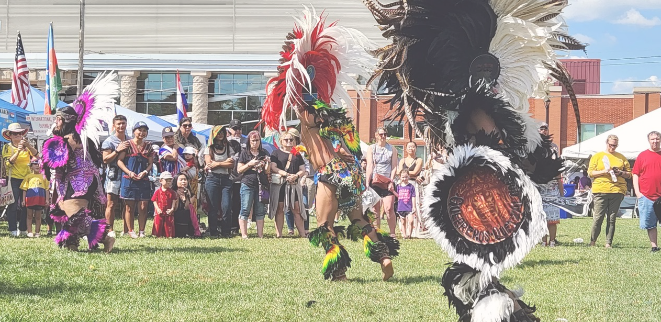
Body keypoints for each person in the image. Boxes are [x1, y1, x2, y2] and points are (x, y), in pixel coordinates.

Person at [261, 9, 398, 281]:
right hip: (351, 170)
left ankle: (338, 272)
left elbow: (303, 105)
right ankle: (383, 255)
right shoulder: (329, 113)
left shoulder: (308, 113)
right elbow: (351, 142)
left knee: (324, 225)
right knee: (359, 219)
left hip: (330, 172)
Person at [41, 72, 118, 252]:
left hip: (79, 181)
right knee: (66, 211)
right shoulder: (75, 137)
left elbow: (54, 161)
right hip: (81, 180)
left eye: (57, 119)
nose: (55, 122)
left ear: (62, 120)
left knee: (74, 214)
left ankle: (106, 236)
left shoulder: (69, 139)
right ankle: (72, 243)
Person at [588, 134, 631, 248]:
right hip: (600, 190)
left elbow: (629, 174)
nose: (613, 147)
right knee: (598, 218)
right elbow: (591, 173)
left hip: (617, 191)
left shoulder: (621, 157)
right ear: (606, 143)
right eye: (611, 145)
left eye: (615, 145)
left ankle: (608, 243)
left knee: (612, 219)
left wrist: (620, 173)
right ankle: (592, 242)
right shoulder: (597, 156)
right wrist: (604, 171)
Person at [117, 121, 154, 239]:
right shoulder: (127, 144)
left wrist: (145, 172)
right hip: (129, 179)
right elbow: (119, 161)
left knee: (143, 206)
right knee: (129, 206)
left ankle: (142, 231)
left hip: (143, 179)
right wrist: (129, 172)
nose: (142, 133)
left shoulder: (149, 146)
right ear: (134, 131)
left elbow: (150, 163)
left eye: (144, 131)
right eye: (140, 130)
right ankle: (131, 230)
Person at [269, 131, 307, 238]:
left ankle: (302, 234)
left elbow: (302, 169)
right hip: (281, 185)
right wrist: (285, 174)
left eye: (291, 140)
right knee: (279, 209)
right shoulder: (276, 153)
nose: (289, 142)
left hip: (294, 185)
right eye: (286, 139)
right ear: (281, 141)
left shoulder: (297, 154)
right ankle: (279, 234)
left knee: (297, 209)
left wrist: (296, 176)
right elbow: (273, 167)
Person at [2, 123, 37, 237]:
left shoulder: (27, 146)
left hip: (27, 179)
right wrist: (18, 151)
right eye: (15, 133)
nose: (18, 135)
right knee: (12, 204)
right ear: (10, 135)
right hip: (13, 179)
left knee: (26, 204)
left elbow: (37, 156)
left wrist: (28, 146)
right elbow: (8, 163)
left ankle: (23, 228)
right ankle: (12, 228)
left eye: (20, 133)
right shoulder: (7, 147)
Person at [366, 127, 399, 237]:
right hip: (375, 181)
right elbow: (369, 165)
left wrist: (391, 181)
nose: (383, 136)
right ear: (376, 135)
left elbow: (394, 167)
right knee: (375, 209)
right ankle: (377, 232)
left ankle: (392, 233)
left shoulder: (392, 149)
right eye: (381, 134)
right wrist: (367, 182)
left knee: (389, 208)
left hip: (388, 181)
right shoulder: (371, 148)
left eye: (385, 134)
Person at [101, 115, 130, 237]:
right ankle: (110, 229)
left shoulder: (130, 140)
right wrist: (117, 150)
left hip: (127, 175)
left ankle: (126, 229)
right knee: (111, 203)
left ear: (126, 124)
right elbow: (105, 159)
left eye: (123, 123)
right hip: (113, 175)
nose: (121, 126)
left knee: (127, 203)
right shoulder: (109, 141)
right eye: (118, 124)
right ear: (114, 125)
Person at [236, 130, 269, 239]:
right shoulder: (244, 153)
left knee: (260, 210)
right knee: (245, 208)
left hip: (261, 184)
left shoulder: (264, 153)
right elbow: (239, 170)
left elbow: (268, 171)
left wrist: (267, 163)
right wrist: (250, 164)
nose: (255, 143)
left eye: (257, 140)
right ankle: (244, 234)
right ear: (249, 141)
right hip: (247, 183)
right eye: (253, 140)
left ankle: (260, 235)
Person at [204, 125, 235, 237]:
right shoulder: (209, 148)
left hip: (226, 179)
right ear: (214, 134)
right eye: (218, 132)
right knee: (213, 207)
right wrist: (224, 162)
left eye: (222, 132)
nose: (221, 134)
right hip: (212, 179)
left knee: (226, 206)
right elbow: (209, 165)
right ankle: (213, 231)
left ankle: (226, 232)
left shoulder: (228, 147)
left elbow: (232, 164)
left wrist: (218, 163)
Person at [632, 131, 661, 252]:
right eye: (652, 139)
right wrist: (638, 193)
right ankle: (654, 246)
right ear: (649, 140)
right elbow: (635, 174)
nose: (655, 141)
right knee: (650, 224)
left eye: (657, 139)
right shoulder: (642, 155)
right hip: (647, 195)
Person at [538, 122, 562, 247]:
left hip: (552, 186)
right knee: (541, 216)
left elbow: (557, 167)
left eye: (545, 129)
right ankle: (543, 241)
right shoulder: (534, 146)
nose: (543, 131)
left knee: (552, 218)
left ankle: (552, 241)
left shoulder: (554, 147)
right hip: (539, 185)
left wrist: (561, 188)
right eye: (541, 129)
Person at [397, 141, 423, 237]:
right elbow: (399, 172)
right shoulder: (402, 160)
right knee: (403, 204)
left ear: (416, 148)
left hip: (413, 185)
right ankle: (404, 230)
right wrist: (410, 175)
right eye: (409, 147)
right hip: (403, 186)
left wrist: (406, 174)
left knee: (414, 205)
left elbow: (416, 171)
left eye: (413, 147)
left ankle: (414, 230)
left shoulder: (419, 160)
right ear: (406, 149)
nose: (411, 148)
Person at [20, 159, 49, 238]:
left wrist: (47, 199)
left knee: (38, 216)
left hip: (40, 199)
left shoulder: (43, 177)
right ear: (31, 167)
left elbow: (47, 189)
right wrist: (23, 200)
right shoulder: (28, 177)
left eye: (38, 164)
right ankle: (29, 232)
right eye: (35, 164)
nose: (37, 165)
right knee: (29, 216)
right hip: (30, 199)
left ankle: (37, 232)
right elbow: (24, 189)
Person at [227, 119, 246, 235]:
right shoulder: (225, 141)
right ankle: (225, 226)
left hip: (241, 177)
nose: (237, 131)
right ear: (229, 129)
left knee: (237, 203)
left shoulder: (247, 141)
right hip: (226, 176)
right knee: (225, 203)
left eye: (239, 128)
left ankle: (235, 227)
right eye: (234, 128)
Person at [152, 171, 177, 238]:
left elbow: (174, 201)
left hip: (168, 211)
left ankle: (169, 235)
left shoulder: (172, 192)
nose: (168, 182)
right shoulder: (158, 191)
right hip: (160, 210)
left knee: (169, 223)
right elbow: (154, 200)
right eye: (166, 180)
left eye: (170, 181)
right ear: (161, 181)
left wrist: (172, 208)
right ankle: (157, 234)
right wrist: (157, 208)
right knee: (158, 223)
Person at [173, 173, 199, 237]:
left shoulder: (191, 194)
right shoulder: (172, 193)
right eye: (181, 180)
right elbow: (175, 208)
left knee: (186, 212)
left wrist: (186, 196)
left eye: (185, 180)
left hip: (186, 219)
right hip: (175, 219)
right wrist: (177, 196)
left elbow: (187, 207)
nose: (183, 181)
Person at [395, 170, 416, 239]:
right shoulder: (398, 186)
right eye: (403, 177)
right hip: (401, 207)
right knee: (403, 222)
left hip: (409, 207)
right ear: (400, 177)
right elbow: (396, 196)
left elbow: (413, 196)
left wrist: (414, 206)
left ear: (409, 177)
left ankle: (409, 234)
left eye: (406, 177)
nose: (404, 179)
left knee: (411, 221)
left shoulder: (411, 187)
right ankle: (404, 235)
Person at [181, 146, 200, 211]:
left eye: (189, 154)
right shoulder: (184, 160)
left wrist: (181, 170)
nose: (187, 156)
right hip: (188, 179)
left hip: (192, 179)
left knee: (192, 195)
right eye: (186, 154)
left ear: (193, 155)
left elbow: (187, 168)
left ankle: (193, 210)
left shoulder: (192, 161)